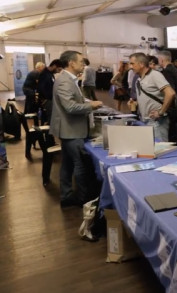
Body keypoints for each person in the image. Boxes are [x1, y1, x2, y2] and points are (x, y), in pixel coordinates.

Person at [49, 51, 103, 208]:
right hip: (71, 130)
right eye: (80, 62)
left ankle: (66, 195)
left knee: (68, 164)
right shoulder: (65, 81)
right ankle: (82, 198)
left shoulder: (70, 80)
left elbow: (73, 100)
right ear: (71, 63)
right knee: (79, 165)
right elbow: (70, 107)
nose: (83, 65)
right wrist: (90, 105)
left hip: (70, 129)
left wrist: (85, 101)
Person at [130, 52, 177, 142]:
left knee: (160, 150)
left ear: (141, 64)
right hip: (145, 121)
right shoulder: (139, 79)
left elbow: (170, 93)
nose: (131, 67)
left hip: (157, 122)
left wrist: (160, 112)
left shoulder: (155, 75)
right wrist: (135, 103)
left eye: (132, 63)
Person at [157, 50, 177, 146]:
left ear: (161, 59)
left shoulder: (167, 72)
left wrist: (164, 109)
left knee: (173, 136)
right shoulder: (176, 70)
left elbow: (170, 92)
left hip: (173, 109)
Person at [38, 59, 63, 124]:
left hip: (50, 99)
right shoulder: (44, 74)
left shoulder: (50, 74)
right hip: (47, 100)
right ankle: (49, 133)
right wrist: (46, 100)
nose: (58, 72)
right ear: (54, 66)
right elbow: (41, 89)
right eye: (59, 69)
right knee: (51, 119)